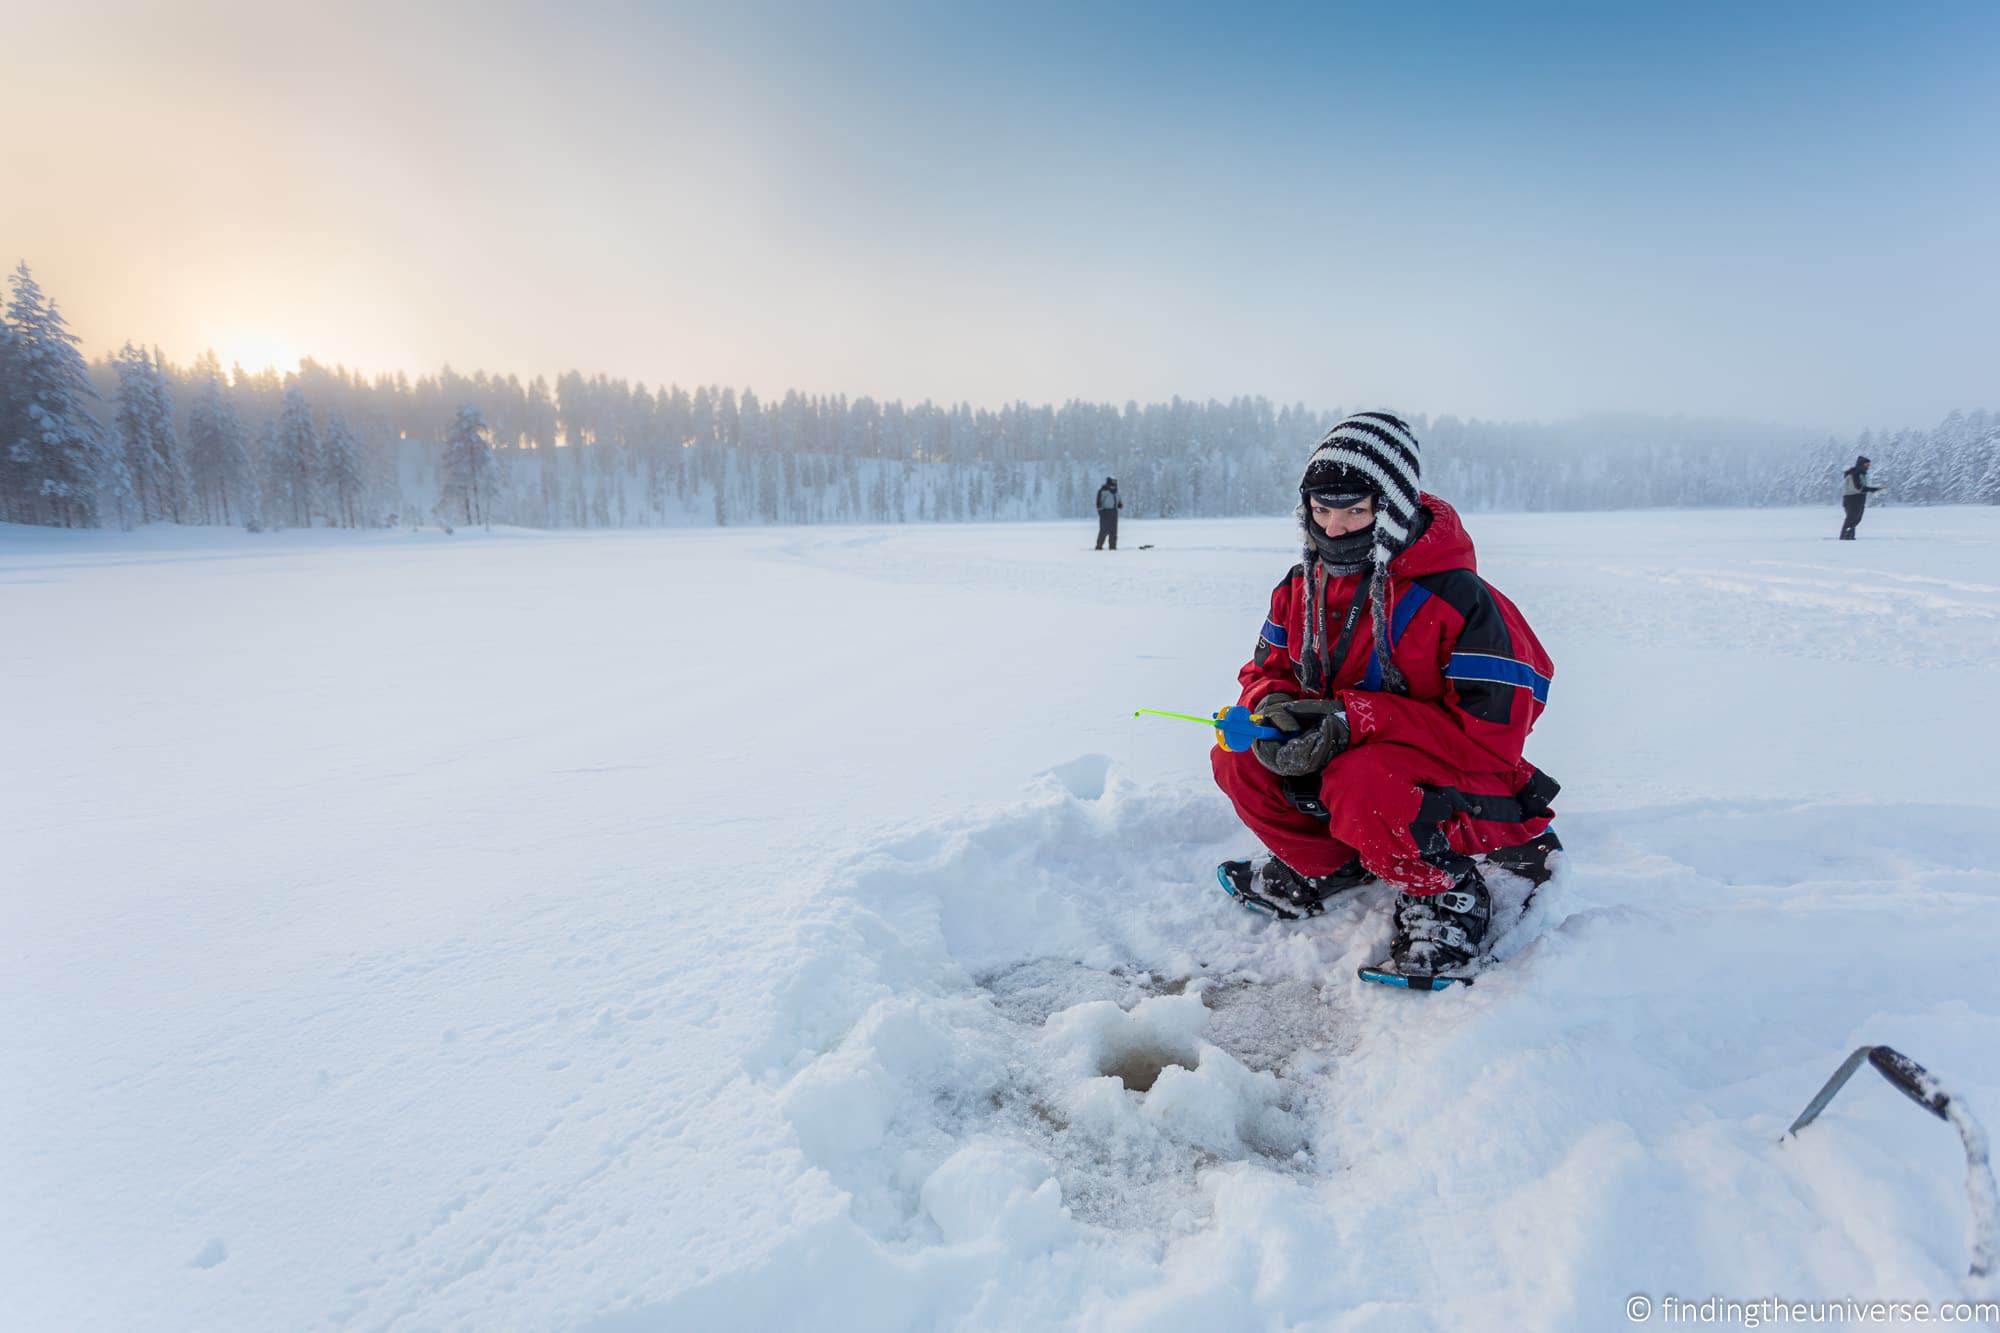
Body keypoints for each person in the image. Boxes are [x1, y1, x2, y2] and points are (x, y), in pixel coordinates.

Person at [1211, 411, 1561, 987]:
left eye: (1355, 509)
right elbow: (1265, 669)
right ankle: (1328, 869)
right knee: (1237, 756)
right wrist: (1271, 707)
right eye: (1322, 510)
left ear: (1391, 505)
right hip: (1360, 767)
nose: (1336, 526)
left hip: (1468, 782)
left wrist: (1356, 720)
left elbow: (1491, 740)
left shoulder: (1460, 600)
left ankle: (1447, 895)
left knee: (1363, 778)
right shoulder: (1300, 587)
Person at [1839, 455, 1882, 540]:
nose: (1868, 467)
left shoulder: (1861, 474)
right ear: (1861, 465)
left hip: (1859, 499)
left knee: (1857, 518)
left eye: (1869, 465)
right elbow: (1858, 487)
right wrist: (1872, 489)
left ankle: (1850, 536)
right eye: (1867, 465)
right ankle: (1844, 537)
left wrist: (1870, 489)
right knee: (1852, 518)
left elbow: (1861, 488)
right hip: (1852, 499)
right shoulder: (1854, 474)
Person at [1094, 477, 1122, 550]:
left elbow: (1118, 498)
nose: (1115, 482)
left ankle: (1113, 546)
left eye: (1116, 481)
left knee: (1114, 530)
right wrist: (1101, 511)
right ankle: (1099, 546)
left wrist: (1120, 504)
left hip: (1114, 512)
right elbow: (1098, 502)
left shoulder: (1116, 491)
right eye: (1113, 481)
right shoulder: (1103, 490)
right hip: (1105, 512)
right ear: (1109, 481)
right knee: (1104, 530)